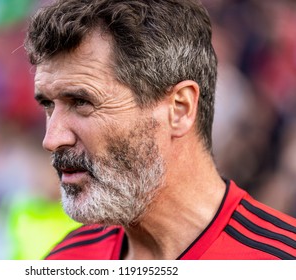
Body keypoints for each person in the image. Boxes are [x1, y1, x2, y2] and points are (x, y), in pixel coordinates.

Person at [24, 0, 296, 259]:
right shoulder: (65, 260)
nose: (52, 139)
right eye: (48, 105)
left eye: (82, 102)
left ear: (180, 108)